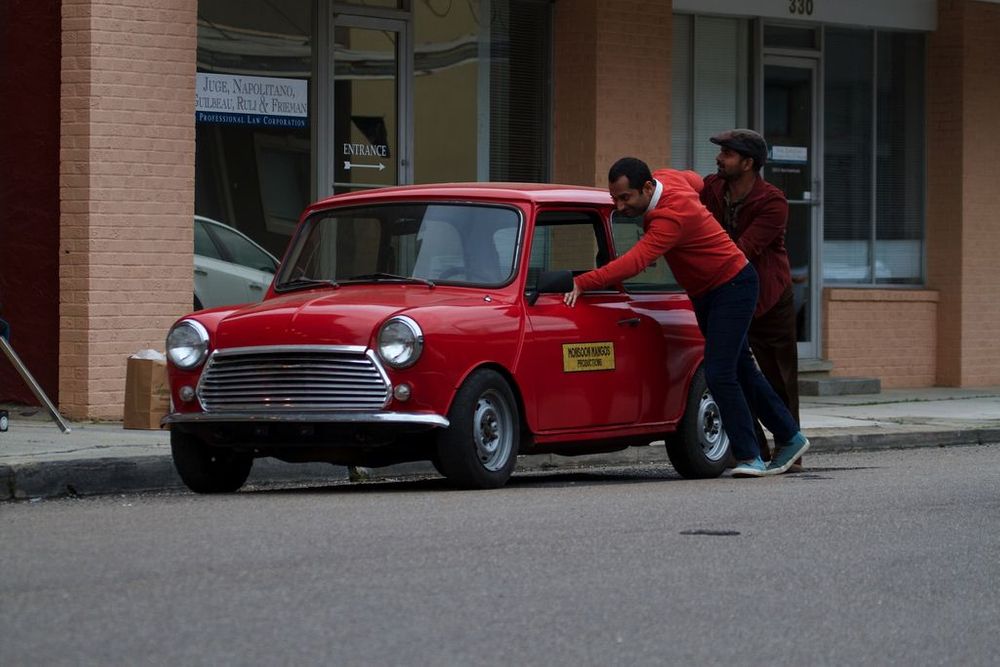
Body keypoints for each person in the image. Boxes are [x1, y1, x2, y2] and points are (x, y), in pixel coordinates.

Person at [563, 157, 809, 477]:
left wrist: (583, 282)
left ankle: (750, 456)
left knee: (720, 373)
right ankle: (790, 437)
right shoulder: (669, 178)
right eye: (615, 198)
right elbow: (696, 180)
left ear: (647, 187)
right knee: (742, 370)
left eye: (625, 198)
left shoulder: (671, 218)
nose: (620, 206)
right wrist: (702, 218)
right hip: (708, 291)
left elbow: (634, 262)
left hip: (732, 286)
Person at [700, 128, 803, 472]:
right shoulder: (713, 188)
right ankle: (752, 450)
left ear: (748, 163)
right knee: (733, 372)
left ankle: (790, 448)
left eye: (727, 154)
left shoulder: (772, 201)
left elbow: (742, 250)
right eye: (721, 152)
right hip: (728, 296)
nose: (719, 159)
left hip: (769, 298)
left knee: (778, 377)